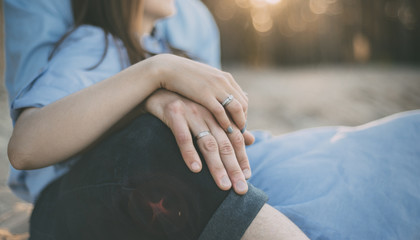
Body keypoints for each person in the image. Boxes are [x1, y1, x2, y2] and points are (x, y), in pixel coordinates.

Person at [4, 1, 420, 239]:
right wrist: (153, 73)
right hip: (165, 190)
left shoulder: (171, 40)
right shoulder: (93, 44)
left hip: (249, 166)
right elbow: (26, 145)